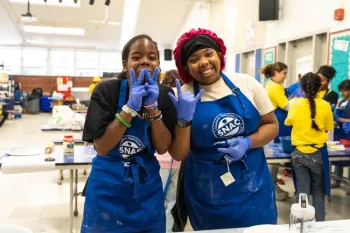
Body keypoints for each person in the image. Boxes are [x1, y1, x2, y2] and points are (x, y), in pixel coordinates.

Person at [169, 28, 279, 231]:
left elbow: (272, 125)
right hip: (207, 190)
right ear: (185, 66)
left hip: (253, 185)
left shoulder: (246, 84)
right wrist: (183, 119)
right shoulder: (183, 96)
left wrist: (248, 142)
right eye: (194, 59)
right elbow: (178, 153)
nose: (203, 62)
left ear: (219, 55)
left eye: (209, 54)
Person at [80, 34, 177, 232]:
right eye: (136, 57)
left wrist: (152, 107)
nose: (145, 61)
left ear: (158, 64)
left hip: (146, 188)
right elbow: (102, 147)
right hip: (108, 187)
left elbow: (162, 146)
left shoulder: (165, 94)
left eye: (152, 57)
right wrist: (130, 108)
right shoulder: (107, 91)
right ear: (125, 65)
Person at [285, 72, 333, 221]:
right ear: (320, 88)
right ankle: (319, 225)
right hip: (318, 152)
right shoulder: (325, 105)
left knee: (302, 190)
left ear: (302, 88)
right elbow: (327, 127)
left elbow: (289, 122)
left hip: (299, 153)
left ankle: (302, 224)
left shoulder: (295, 104)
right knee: (318, 190)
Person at [156, 69, 182, 232]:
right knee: (172, 200)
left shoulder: (159, 99)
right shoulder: (184, 98)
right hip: (178, 160)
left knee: (159, 199)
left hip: (161, 158)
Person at [262, 62, 291, 201]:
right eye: (284, 73)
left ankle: (273, 185)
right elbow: (286, 106)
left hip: (278, 120)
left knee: (275, 156)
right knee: (276, 156)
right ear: (276, 73)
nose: (285, 76)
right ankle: (272, 187)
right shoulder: (274, 87)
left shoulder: (272, 84)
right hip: (279, 121)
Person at [332, 80, 350, 189]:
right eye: (341, 91)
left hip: (347, 132)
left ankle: (348, 184)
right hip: (339, 133)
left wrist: (339, 119)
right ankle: (337, 180)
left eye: (344, 90)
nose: (341, 93)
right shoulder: (342, 101)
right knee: (338, 158)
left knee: (348, 157)